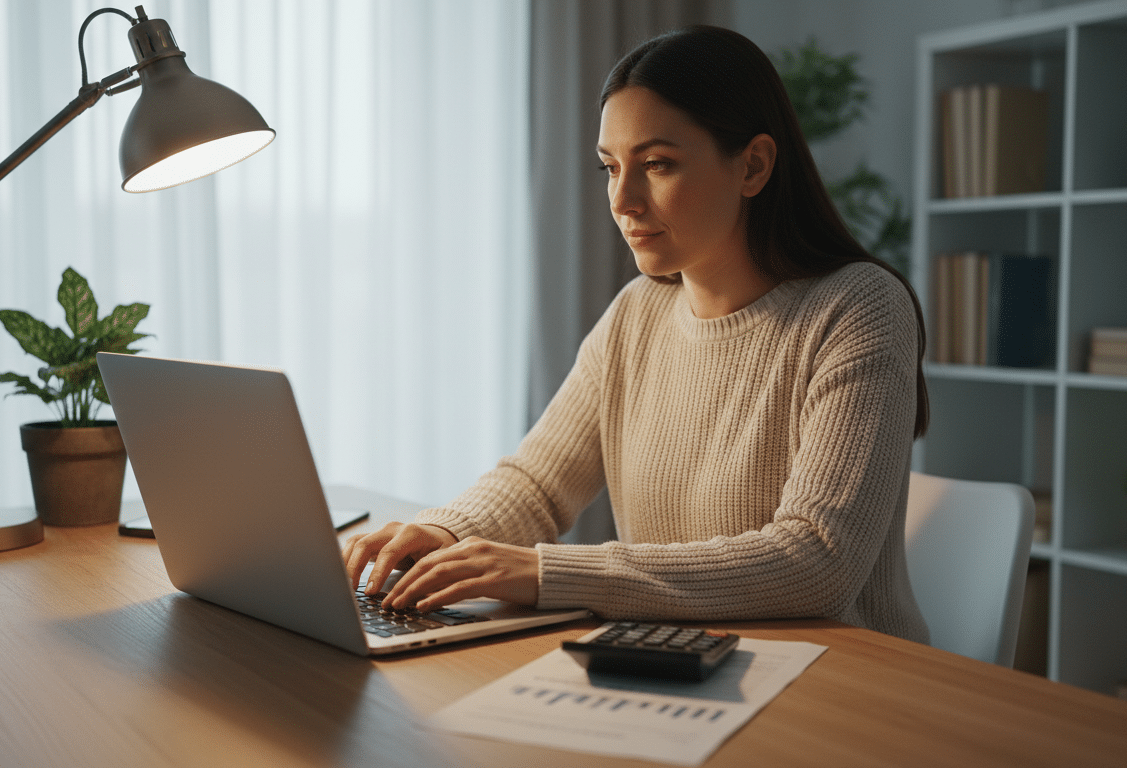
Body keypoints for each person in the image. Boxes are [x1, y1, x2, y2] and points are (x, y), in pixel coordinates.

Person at [344, 25, 931, 643]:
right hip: (674, 658)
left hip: (842, 680)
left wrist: (548, 574)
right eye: (609, 166)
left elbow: (818, 561)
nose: (622, 199)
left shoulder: (859, 309)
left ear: (752, 166)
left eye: (657, 164)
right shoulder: (636, 314)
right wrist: (448, 534)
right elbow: (539, 484)